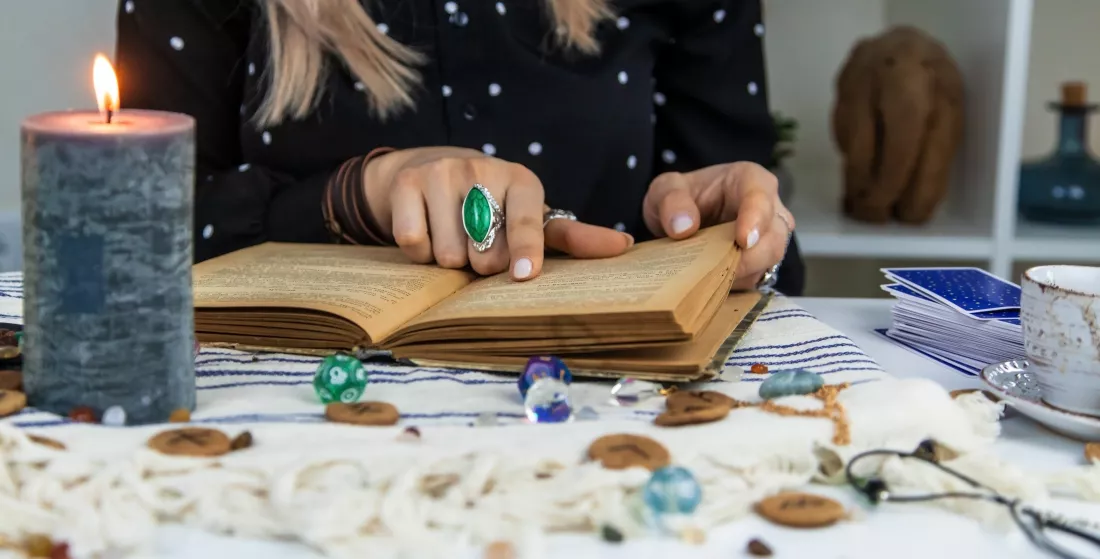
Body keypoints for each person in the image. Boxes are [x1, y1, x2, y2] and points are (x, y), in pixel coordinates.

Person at [116, 0, 804, 295]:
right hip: (292, 421)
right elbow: (133, 243)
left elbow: (777, 261)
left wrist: (733, 238)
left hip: (607, 409)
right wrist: (353, 198)